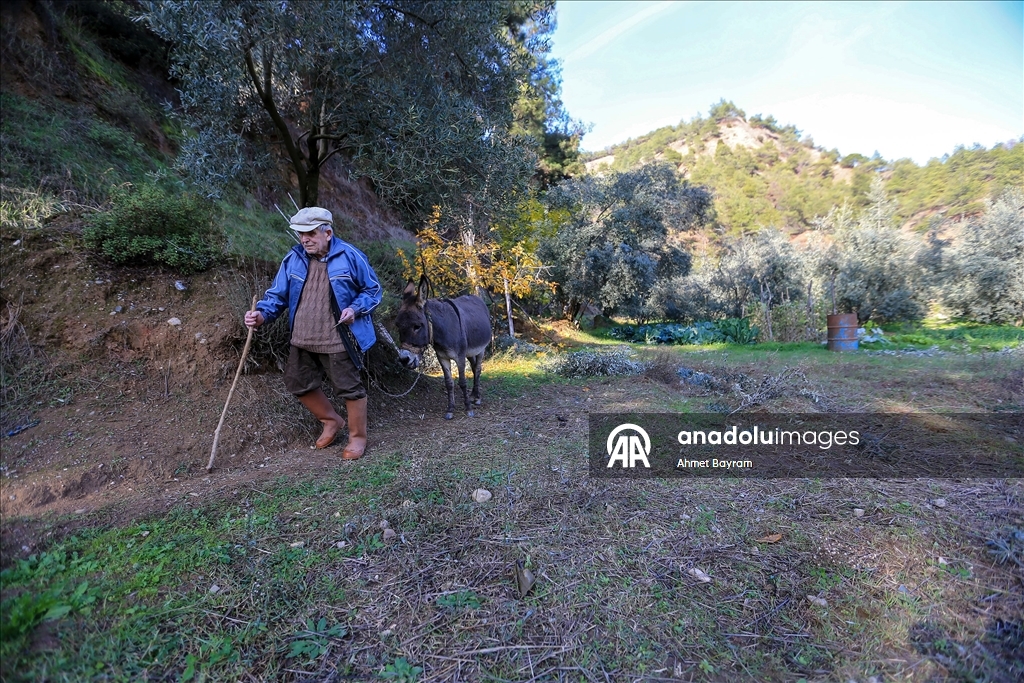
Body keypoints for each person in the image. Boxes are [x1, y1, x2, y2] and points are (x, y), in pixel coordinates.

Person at [245, 207, 382, 459]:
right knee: (297, 382)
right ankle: (331, 420)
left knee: (349, 388)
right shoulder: (294, 258)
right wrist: (261, 315)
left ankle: (357, 438)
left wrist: (355, 308)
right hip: (303, 336)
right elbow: (277, 295)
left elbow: (373, 291)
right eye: (300, 234)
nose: (304, 239)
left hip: (336, 337)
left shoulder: (351, 256)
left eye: (310, 233)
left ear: (327, 232)